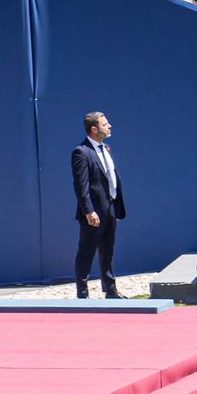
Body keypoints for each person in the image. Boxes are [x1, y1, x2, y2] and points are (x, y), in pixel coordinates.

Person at [71, 111, 123, 299]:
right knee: (87, 251)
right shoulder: (81, 152)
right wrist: (89, 211)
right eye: (105, 124)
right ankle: (82, 295)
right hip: (93, 214)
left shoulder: (106, 148)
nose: (109, 126)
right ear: (94, 129)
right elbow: (81, 185)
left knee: (108, 252)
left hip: (109, 209)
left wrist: (115, 206)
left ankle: (111, 292)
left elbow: (111, 178)